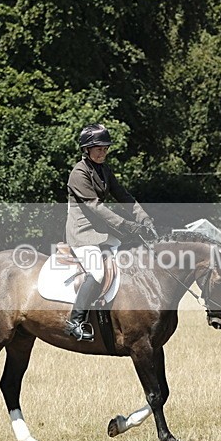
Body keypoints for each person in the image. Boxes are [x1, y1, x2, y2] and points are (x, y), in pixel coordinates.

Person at [64, 123, 156, 341]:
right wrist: (127, 225)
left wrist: (144, 217)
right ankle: (75, 321)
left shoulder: (104, 170)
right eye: (98, 148)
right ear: (86, 149)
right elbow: (96, 207)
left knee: (130, 260)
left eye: (105, 148)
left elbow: (124, 195)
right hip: (83, 234)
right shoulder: (78, 173)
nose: (103, 152)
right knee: (96, 272)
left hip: (102, 234)